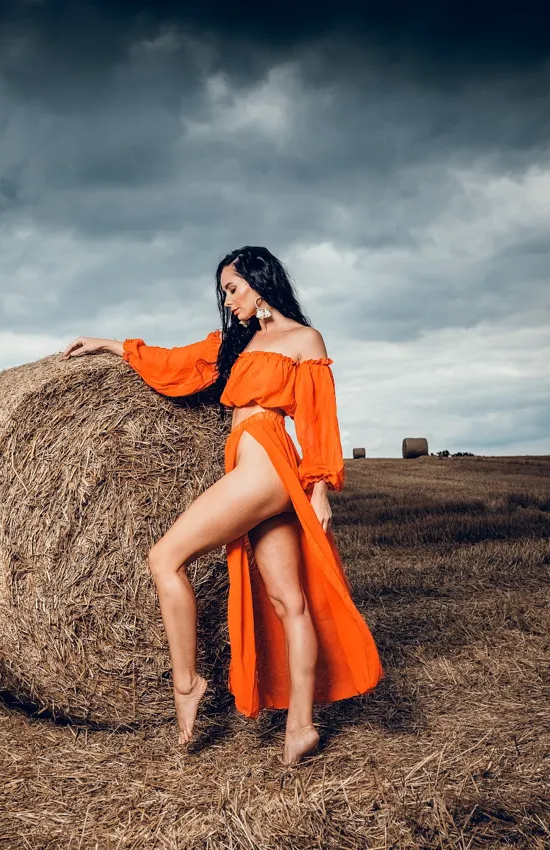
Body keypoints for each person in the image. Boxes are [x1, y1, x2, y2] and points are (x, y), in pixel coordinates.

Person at [61, 246, 382, 766]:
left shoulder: (304, 340)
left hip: (267, 466)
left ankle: (186, 683)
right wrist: (108, 344)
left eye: (232, 288)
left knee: (164, 558)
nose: (226, 299)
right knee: (290, 603)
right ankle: (301, 728)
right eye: (224, 292)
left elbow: (320, 417)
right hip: (258, 474)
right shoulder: (233, 344)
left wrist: (321, 488)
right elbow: (171, 364)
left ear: (259, 281)